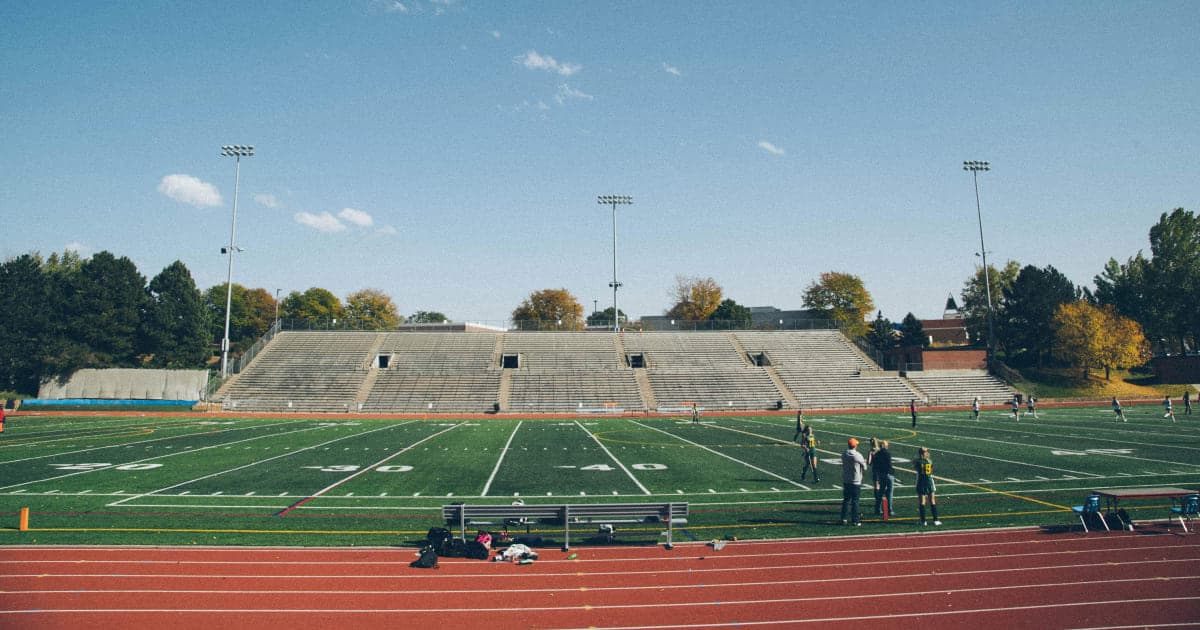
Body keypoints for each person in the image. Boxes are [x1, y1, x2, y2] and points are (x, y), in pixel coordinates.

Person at [840, 438, 866, 526]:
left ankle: (843, 518)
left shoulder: (844, 454)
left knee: (846, 500)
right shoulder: (858, 455)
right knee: (855, 501)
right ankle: (855, 520)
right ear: (855, 445)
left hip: (846, 480)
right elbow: (864, 466)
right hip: (856, 481)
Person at [914, 446, 941, 526]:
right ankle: (935, 520)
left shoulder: (918, 461)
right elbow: (931, 470)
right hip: (929, 481)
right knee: (932, 500)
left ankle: (923, 521)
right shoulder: (929, 461)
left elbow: (915, 466)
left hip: (921, 482)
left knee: (922, 501)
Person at [872, 439, 895, 517]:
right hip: (888, 474)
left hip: (881, 475)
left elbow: (875, 465)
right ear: (886, 446)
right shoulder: (887, 454)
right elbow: (889, 464)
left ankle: (878, 509)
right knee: (890, 493)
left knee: (881, 492)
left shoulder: (877, 454)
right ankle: (890, 510)